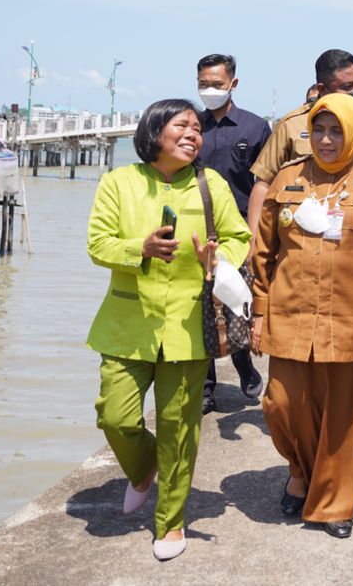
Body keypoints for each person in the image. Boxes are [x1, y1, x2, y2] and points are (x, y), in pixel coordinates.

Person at [85, 99, 251, 561]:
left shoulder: (209, 183)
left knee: (180, 428)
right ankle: (143, 470)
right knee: (115, 416)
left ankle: (171, 522)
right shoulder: (119, 182)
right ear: (154, 131)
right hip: (127, 322)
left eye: (197, 128)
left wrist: (217, 260)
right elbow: (98, 243)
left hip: (188, 324)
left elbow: (240, 237)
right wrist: (140, 248)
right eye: (182, 125)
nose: (192, 134)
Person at [249, 93, 353, 538]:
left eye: (336, 130)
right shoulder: (287, 179)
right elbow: (262, 253)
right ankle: (300, 472)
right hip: (290, 314)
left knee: (345, 417)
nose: (325, 140)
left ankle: (335, 503)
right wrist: (259, 312)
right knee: (282, 404)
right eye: (319, 130)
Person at [193, 53, 272, 413]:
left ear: (233, 84)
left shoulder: (255, 129)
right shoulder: (191, 125)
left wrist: (259, 234)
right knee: (200, 309)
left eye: (217, 84)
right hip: (197, 230)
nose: (210, 90)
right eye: (203, 84)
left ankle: (244, 366)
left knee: (238, 302)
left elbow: (264, 183)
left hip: (238, 230)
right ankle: (206, 387)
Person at [247, 49, 353, 228]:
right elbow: (264, 183)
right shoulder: (291, 126)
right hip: (299, 234)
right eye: (348, 87)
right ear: (322, 89)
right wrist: (255, 240)